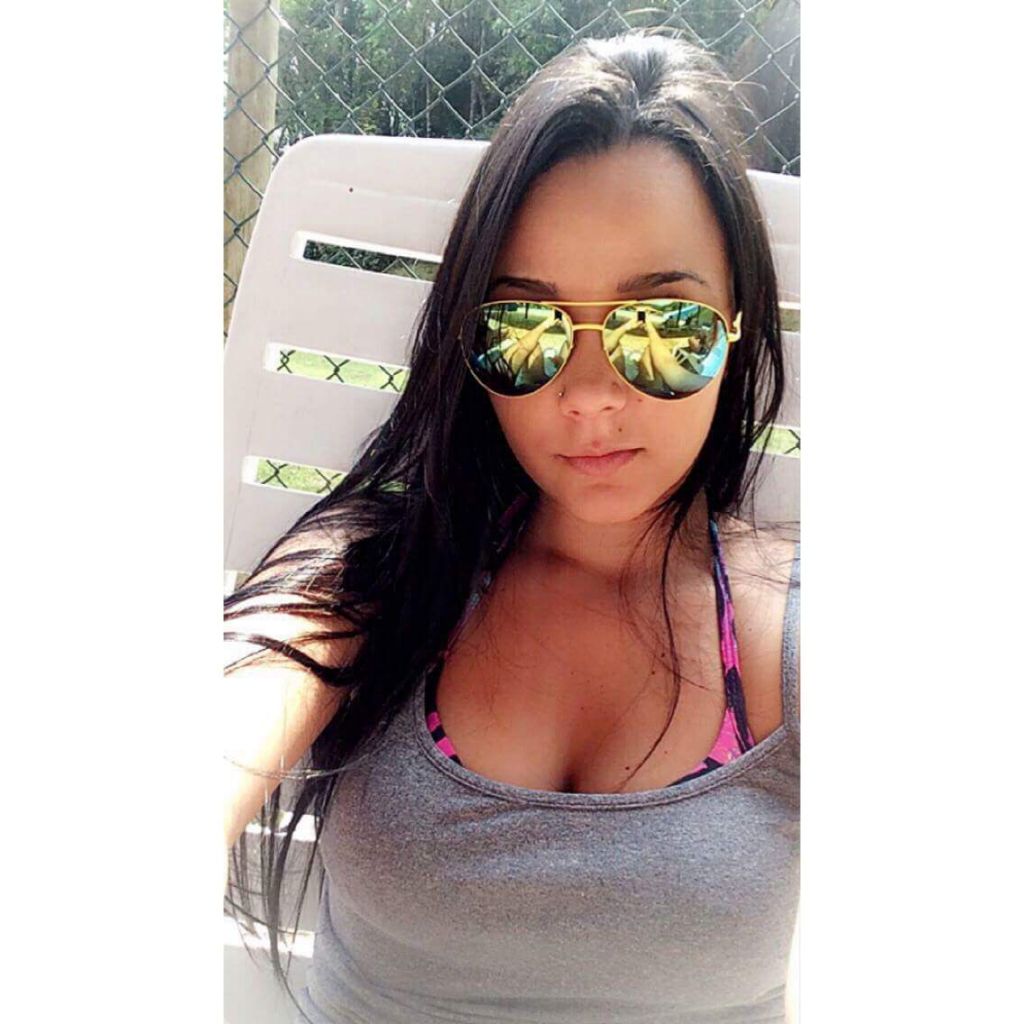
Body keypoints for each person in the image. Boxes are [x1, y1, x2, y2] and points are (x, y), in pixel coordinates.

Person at [224, 29, 800, 1024]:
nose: (589, 395)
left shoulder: (789, 625)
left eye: (662, 328)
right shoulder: (375, 569)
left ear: (738, 324)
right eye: (526, 329)